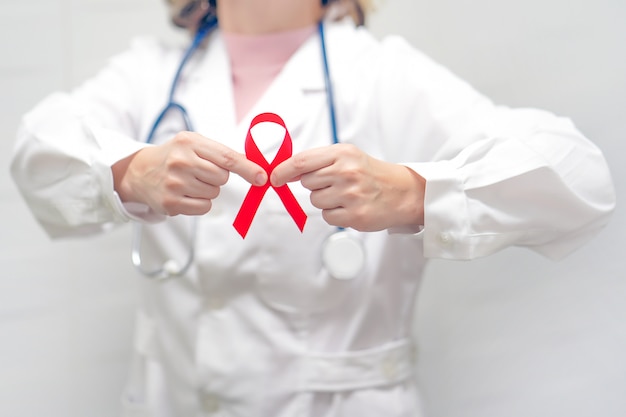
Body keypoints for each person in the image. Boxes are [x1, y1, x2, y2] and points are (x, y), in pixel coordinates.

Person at [10, 0, 616, 416]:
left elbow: (579, 177)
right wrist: (127, 171)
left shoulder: (382, 76)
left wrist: (414, 191)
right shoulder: (151, 75)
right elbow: (37, 149)